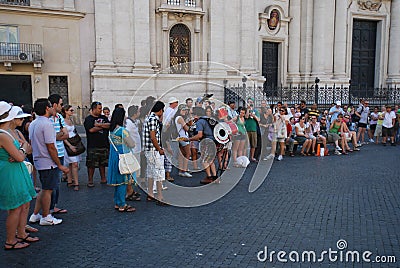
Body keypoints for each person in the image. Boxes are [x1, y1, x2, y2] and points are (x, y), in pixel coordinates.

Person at [0, 102, 37, 250]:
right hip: (10, 172)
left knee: (23, 204)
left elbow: (24, 152)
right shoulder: (3, 135)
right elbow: (22, 154)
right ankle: (10, 240)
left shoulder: (7, 133)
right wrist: (22, 149)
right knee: (15, 208)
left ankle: (21, 233)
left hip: (15, 169)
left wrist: (22, 151)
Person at [29, 98, 69, 226]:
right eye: (51, 106)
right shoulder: (47, 124)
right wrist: (59, 164)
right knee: (48, 190)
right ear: (47, 108)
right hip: (48, 161)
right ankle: (46, 216)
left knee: (44, 188)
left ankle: (35, 214)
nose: (53, 108)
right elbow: (51, 146)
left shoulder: (34, 123)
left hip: (39, 159)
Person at [107, 108, 137, 212]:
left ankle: (117, 201)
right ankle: (122, 204)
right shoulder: (122, 130)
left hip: (115, 157)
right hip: (123, 157)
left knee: (118, 181)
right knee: (123, 181)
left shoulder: (111, 130)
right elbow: (132, 144)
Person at [143, 101, 168, 206]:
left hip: (149, 150)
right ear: (160, 110)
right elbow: (153, 137)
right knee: (158, 173)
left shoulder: (149, 118)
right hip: (154, 150)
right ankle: (160, 196)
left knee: (151, 172)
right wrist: (160, 149)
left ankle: (150, 194)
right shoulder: (153, 120)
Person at [48, 94, 69, 215]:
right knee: (52, 182)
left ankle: (53, 205)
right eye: (61, 104)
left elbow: (66, 134)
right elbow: (49, 139)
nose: (62, 106)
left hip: (60, 152)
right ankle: (49, 208)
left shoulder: (60, 117)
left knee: (57, 182)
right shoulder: (47, 119)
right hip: (51, 153)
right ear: (54, 104)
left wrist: (56, 136)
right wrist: (58, 135)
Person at [188, 107, 219, 184]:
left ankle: (209, 177)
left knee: (205, 161)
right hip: (214, 141)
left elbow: (199, 135)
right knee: (211, 160)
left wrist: (189, 139)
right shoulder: (209, 119)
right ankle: (215, 177)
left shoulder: (200, 122)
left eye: (192, 114)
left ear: (196, 114)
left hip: (206, 142)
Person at [84, 101, 110, 187]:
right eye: (99, 109)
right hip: (93, 145)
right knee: (91, 164)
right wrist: (103, 126)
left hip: (104, 144)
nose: (101, 110)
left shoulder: (104, 117)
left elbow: (109, 125)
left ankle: (103, 178)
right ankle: (90, 180)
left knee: (102, 163)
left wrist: (98, 125)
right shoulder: (88, 119)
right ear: (94, 109)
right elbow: (91, 129)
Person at [61, 105, 81, 191]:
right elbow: (62, 135)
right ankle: (76, 183)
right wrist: (69, 145)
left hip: (74, 141)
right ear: (65, 111)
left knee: (72, 163)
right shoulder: (62, 121)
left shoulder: (71, 120)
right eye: (71, 110)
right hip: (68, 143)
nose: (72, 112)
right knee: (74, 163)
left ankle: (70, 180)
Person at [174, 104, 192, 177]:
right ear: (179, 110)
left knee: (181, 155)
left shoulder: (177, 117)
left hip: (179, 137)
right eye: (183, 110)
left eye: (186, 110)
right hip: (183, 137)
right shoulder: (180, 118)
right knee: (188, 154)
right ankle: (184, 170)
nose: (185, 111)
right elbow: (187, 128)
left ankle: (181, 170)